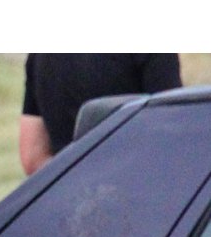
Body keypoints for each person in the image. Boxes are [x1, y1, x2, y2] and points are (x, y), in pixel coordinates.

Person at [19, 54, 182, 175]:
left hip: (68, 204)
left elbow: (32, 158)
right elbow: (172, 142)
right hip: (137, 200)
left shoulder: (41, 55)